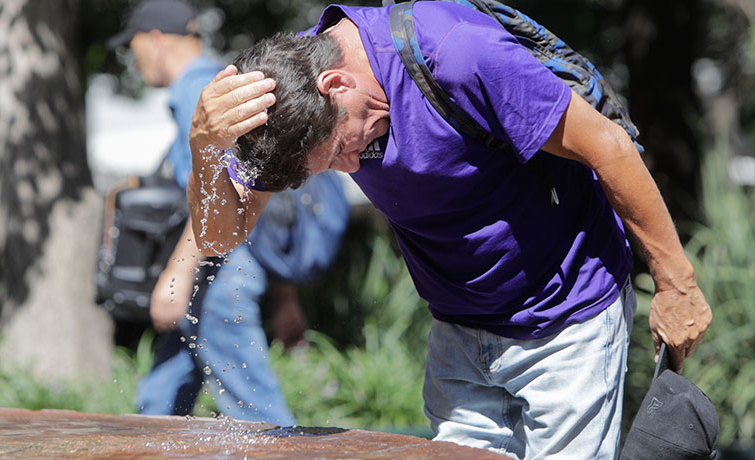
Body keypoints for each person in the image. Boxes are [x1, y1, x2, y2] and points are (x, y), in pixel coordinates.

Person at [185, 2, 713, 459]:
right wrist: (206, 147)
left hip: (566, 319)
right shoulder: (286, 95)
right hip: (458, 333)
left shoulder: (458, 55)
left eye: (341, 149)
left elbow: (608, 147)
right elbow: (217, 238)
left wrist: (677, 284)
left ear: (337, 84)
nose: (350, 166)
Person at [107, 0, 302, 425]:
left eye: (133, 46)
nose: (132, 59)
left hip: (218, 272)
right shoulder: (218, 81)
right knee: (159, 405)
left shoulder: (199, 91)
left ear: (156, 41)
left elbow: (219, 195)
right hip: (218, 268)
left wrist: (176, 275)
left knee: (257, 416)